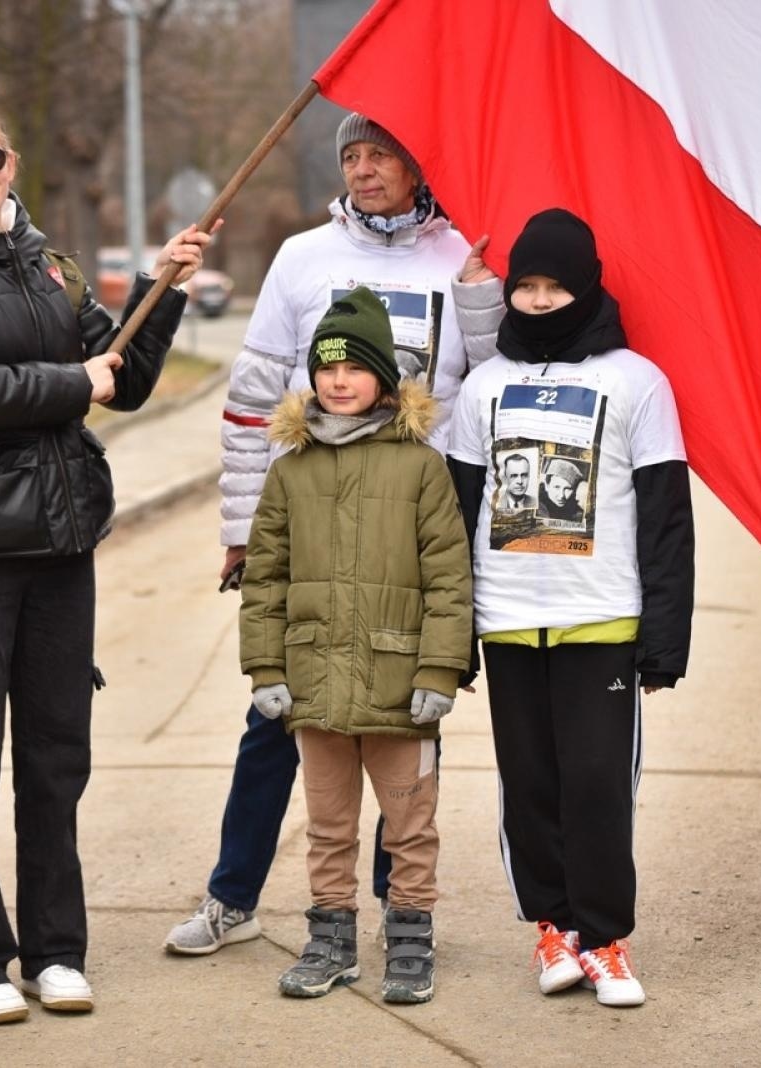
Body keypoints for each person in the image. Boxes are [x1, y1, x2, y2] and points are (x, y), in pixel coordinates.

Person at [0, 97, 210, 1025]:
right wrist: (76, 383)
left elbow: (127, 380)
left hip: (61, 545)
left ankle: (56, 952)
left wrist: (167, 288)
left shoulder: (48, 263)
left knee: (58, 758)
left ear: (12, 159)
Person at [166, 112, 496, 956]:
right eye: (351, 154)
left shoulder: (456, 252)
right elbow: (254, 392)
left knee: (410, 720)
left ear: (418, 163)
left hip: (418, 524)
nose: (364, 168)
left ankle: (398, 909)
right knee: (276, 716)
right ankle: (232, 896)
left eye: (380, 153)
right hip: (314, 524)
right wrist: (244, 527)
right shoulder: (303, 258)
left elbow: (481, 389)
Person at [447, 208, 694, 1006]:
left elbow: (664, 517)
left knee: (596, 784)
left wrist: (664, 639)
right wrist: (452, 635)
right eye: (527, 285)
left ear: (586, 289)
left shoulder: (636, 381)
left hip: (603, 621)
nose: (541, 299)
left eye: (556, 286)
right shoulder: (482, 389)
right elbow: (452, 519)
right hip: (509, 623)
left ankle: (606, 940)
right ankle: (551, 931)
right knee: (530, 784)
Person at [240, 287, 470, 1004]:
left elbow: (448, 579)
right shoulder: (291, 469)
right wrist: (264, 667)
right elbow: (265, 578)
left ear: (382, 378)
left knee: (409, 822)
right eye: (326, 369)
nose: (338, 382)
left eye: (354, 369)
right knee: (328, 824)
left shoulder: (420, 467)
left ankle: (409, 938)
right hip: (315, 681)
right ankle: (330, 938)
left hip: (402, 680)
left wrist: (440, 666)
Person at [536, 458, 586, 522]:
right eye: (557, 487)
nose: (561, 495)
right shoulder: (538, 506)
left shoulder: (577, 509)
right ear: (547, 486)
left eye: (568, 489)